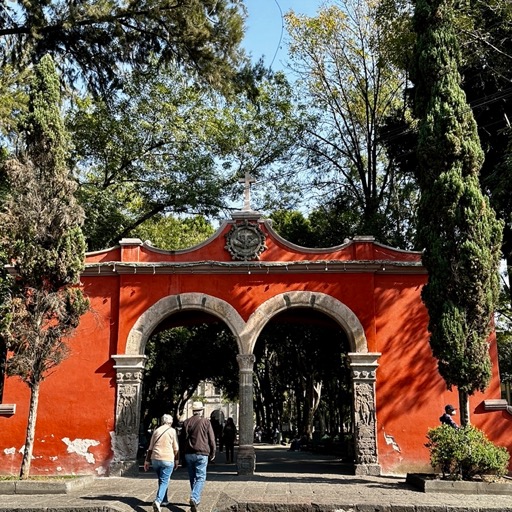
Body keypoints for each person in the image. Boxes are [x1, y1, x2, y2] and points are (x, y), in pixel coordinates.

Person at [182, 401, 216, 512]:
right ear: (201, 410)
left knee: (193, 477)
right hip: (202, 452)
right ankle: (194, 497)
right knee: (201, 477)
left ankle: (195, 498)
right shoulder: (206, 422)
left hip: (189, 453)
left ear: (193, 410)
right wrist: (213, 452)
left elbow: (182, 439)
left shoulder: (186, 422)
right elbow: (211, 439)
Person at [143, 414, 180, 512]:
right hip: (167, 458)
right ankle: (158, 500)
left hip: (155, 459)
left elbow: (150, 447)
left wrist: (147, 461)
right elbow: (175, 447)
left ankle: (164, 499)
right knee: (164, 480)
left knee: (162, 479)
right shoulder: (172, 431)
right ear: (170, 422)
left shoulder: (156, 431)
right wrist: (177, 460)